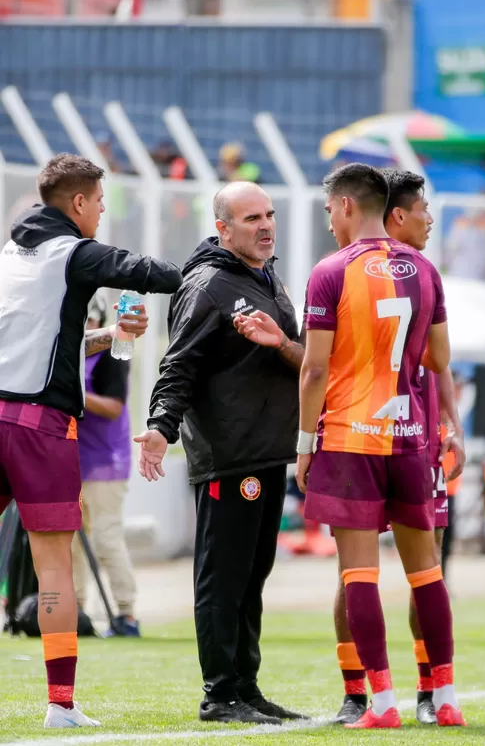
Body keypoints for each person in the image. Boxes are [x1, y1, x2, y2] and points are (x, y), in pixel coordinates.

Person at [0, 154, 182, 729]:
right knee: (54, 566)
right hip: (43, 427)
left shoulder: (10, 253)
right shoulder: (74, 253)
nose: (103, 211)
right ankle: (60, 705)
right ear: (77, 203)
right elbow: (149, 272)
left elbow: (52, 340)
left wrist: (107, 334)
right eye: (100, 201)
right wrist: (213, 265)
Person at [295, 163, 465, 729]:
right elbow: (439, 362)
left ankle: (383, 703)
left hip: (349, 439)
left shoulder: (330, 271)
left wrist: (302, 445)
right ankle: (444, 700)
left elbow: (314, 370)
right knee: (428, 574)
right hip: (411, 437)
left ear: (345, 205)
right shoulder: (424, 268)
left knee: (358, 576)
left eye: (328, 210)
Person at [135, 181, 306, 725]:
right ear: (223, 229)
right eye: (251, 217)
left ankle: (246, 687)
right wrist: (160, 425)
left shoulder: (267, 277)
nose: (265, 225)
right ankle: (220, 693)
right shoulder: (207, 285)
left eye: (270, 215)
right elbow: (177, 364)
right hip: (229, 455)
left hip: (266, 450)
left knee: (253, 574)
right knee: (222, 575)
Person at [71, 292, 140, 638]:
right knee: (71, 538)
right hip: (74, 458)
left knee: (106, 536)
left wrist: (73, 394)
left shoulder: (112, 352)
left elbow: (113, 406)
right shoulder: (68, 351)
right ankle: (77, 611)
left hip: (106, 459)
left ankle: (126, 613)